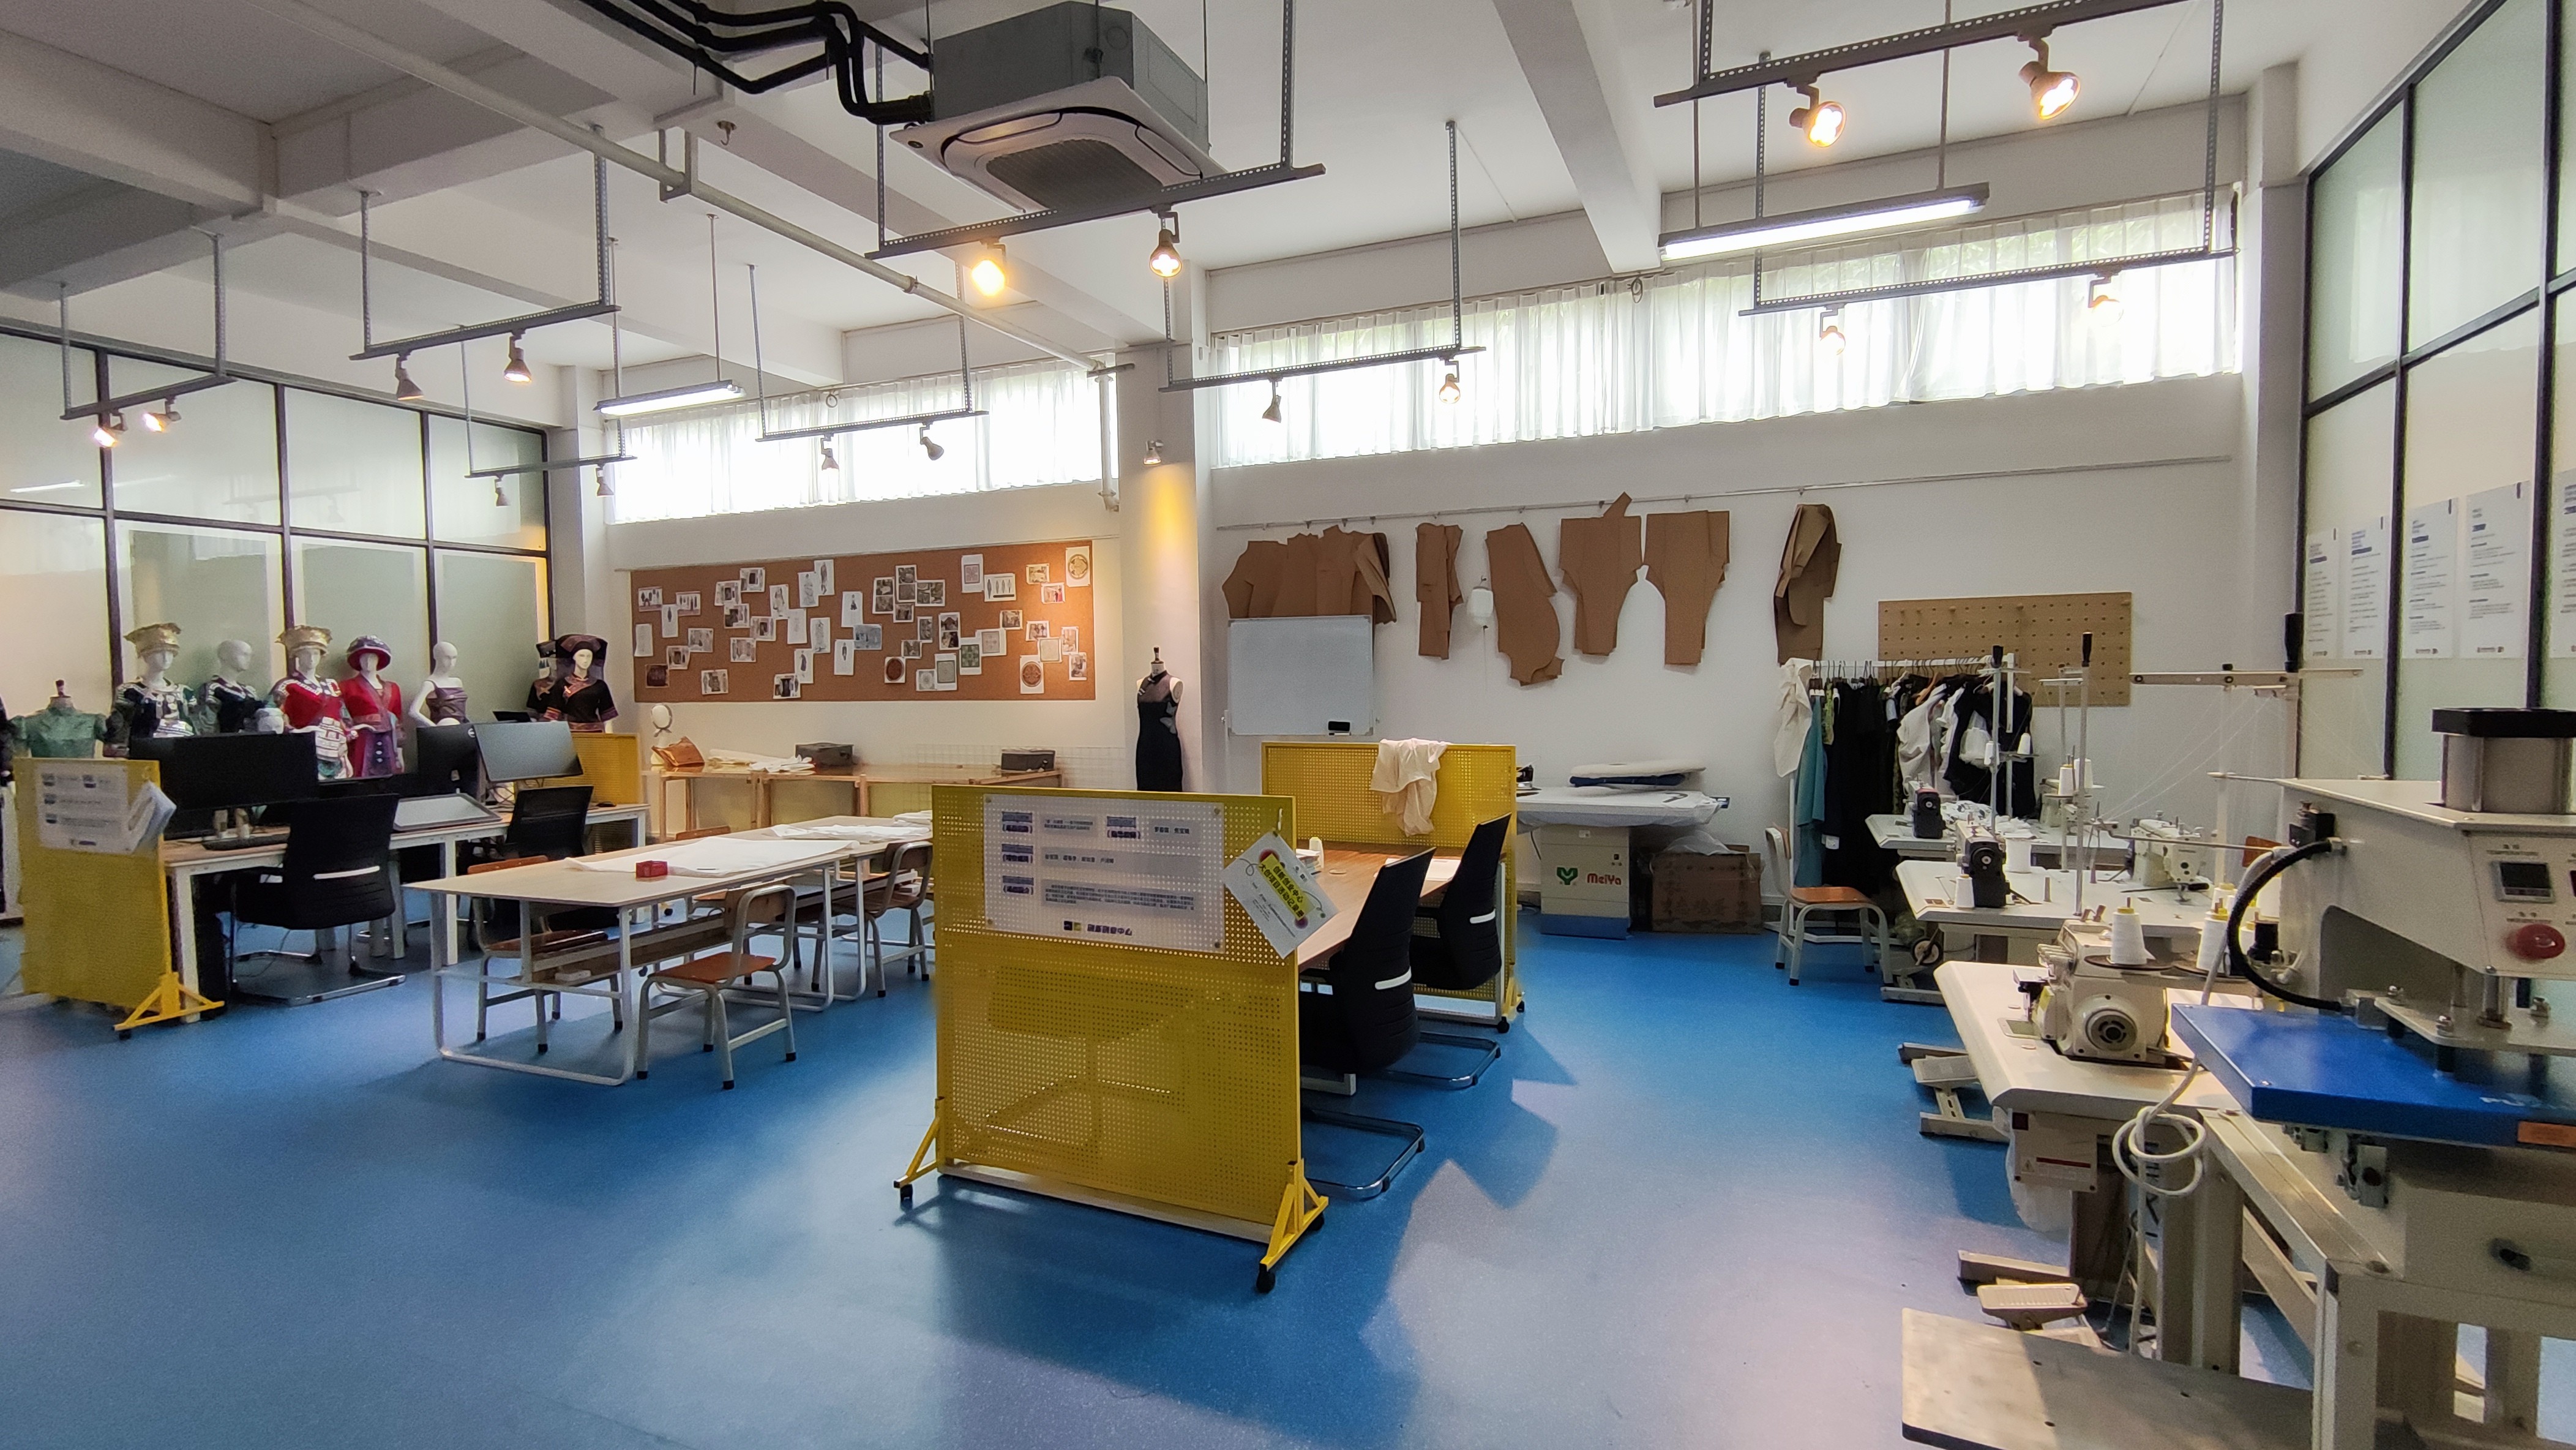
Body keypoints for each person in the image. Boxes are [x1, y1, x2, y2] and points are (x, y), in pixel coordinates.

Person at [270, 625, 352, 779]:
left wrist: (348, 731)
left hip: (336, 749)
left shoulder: (332, 685)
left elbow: (342, 713)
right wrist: (293, 731)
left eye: (315, 653)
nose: (311, 658)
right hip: (304, 748)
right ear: (297, 656)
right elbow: (270, 713)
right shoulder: (287, 685)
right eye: (306, 654)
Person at [107, 622, 198, 754]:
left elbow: (194, 725)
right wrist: (117, 748)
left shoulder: (184, 692)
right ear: (146, 655)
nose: (166, 658)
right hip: (147, 752)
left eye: (170, 653)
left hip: (183, 750)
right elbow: (119, 726)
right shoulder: (130, 691)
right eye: (159, 653)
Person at [340, 636, 405, 778]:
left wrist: (400, 751)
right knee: (360, 776)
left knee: (389, 779)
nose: (368, 662)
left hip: (389, 740)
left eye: (373, 658)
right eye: (364, 658)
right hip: (361, 740)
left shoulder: (393, 687)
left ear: (379, 660)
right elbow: (341, 715)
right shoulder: (346, 686)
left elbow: (398, 719)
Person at [528, 633, 617, 731]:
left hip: (595, 732)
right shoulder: (562, 684)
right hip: (570, 731)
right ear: (574, 657)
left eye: (589, 656)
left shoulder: (600, 685)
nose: (585, 660)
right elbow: (554, 715)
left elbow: (608, 718)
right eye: (582, 656)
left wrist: (609, 737)